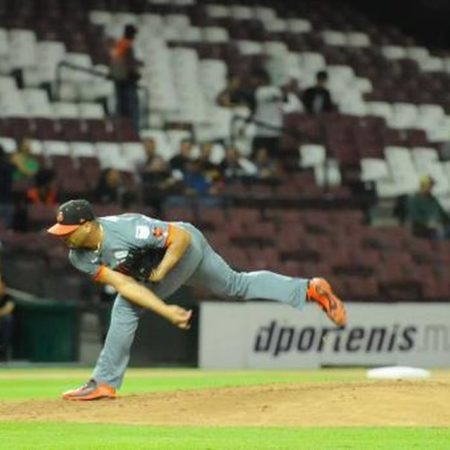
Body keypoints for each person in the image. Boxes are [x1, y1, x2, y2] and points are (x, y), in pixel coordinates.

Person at [47, 199, 347, 400]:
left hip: (184, 247)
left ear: (87, 225)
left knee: (126, 309)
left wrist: (161, 270)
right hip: (170, 257)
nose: (63, 236)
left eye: (68, 230)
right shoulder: (78, 256)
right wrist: (165, 309)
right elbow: (124, 285)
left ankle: (104, 382)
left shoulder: (126, 229)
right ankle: (308, 289)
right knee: (235, 284)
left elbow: (180, 238)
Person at [110, 24, 142, 132]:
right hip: (126, 81)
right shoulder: (126, 45)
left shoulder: (119, 44)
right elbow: (128, 63)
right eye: (133, 34)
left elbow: (115, 62)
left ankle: (122, 129)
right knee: (132, 108)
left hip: (119, 79)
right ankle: (133, 131)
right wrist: (135, 73)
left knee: (121, 107)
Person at [251, 70, 283, 159]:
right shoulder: (259, 91)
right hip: (261, 130)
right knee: (259, 157)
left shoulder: (275, 90)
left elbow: (276, 97)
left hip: (274, 130)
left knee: (272, 157)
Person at [0, 273, 14, 362]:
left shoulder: (8, 298)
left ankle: (3, 350)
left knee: (7, 319)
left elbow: (8, 308)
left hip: (2, 323)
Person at [0, 146, 15, 228]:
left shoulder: (9, 167)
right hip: (7, 202)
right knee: (5, 229)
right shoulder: (9, 167)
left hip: (6, 203)